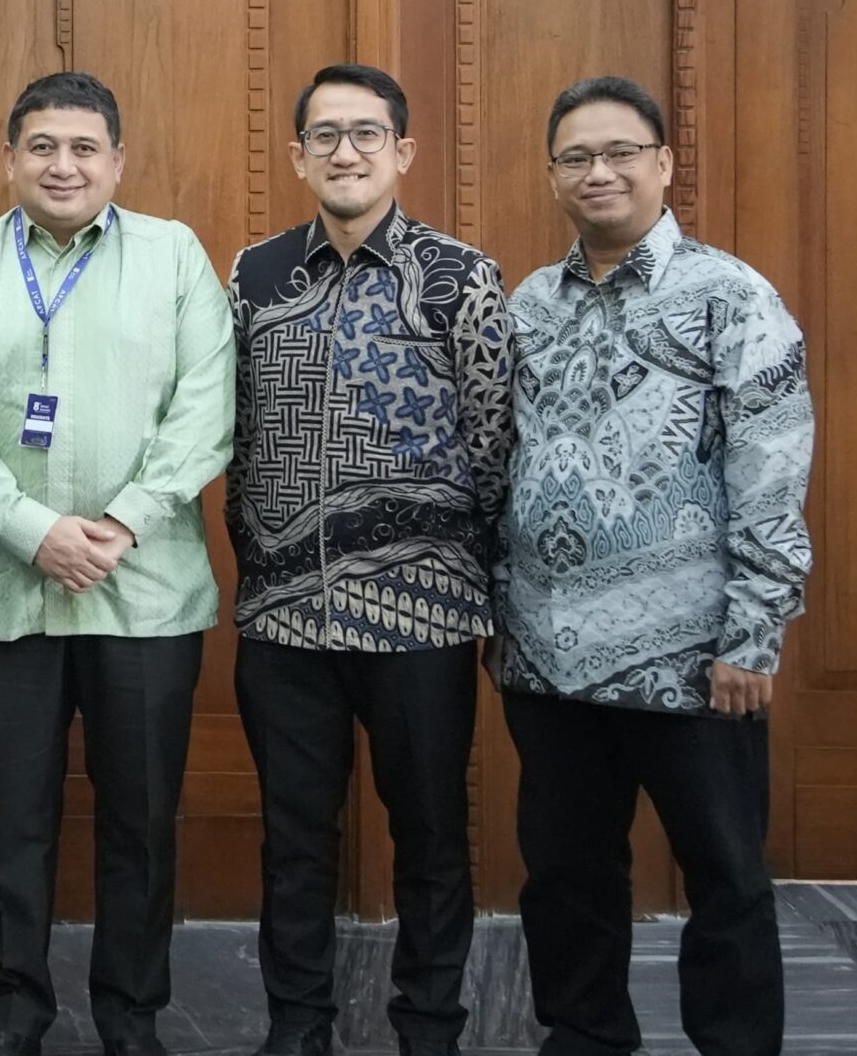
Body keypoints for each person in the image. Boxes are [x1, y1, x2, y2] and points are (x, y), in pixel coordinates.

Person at [0, 72, 233, 1056]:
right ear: (8, 159)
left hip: (146, 593)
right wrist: (30, 529)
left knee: (141, 823)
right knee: (12, 824)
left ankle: (131, 1022)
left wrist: (123, 523)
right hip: (4, 592)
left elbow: (205, 406)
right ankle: (11, 1018)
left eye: (84, 147)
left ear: (117, 162)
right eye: (42, 146)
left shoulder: (172, 256)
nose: (63, 165)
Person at [499, 75, 814, 1056]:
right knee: (564, 877)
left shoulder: (727, 295)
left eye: (619, 152)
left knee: (722, 875)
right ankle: (584, 1037)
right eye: (576, 157)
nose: (598, 172)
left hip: (693, 662)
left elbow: (771, 470)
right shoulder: (528, 306)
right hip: (546, 659)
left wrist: (752, 640)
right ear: (552, 174)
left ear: (663, 163)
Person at [223, 64, 512, 1056]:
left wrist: (487, 600)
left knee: (430, 838)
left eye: (366, 134)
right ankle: (295, 1032)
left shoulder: (459, 277)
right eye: (326, 135)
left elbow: (495, 446)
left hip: (424, 618)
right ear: (298, 153)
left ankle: (428, 1029)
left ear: (403, 151)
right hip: (281, 619)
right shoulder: (254, 275)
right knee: (292, 843)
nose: (346, 152)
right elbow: (233, 432)